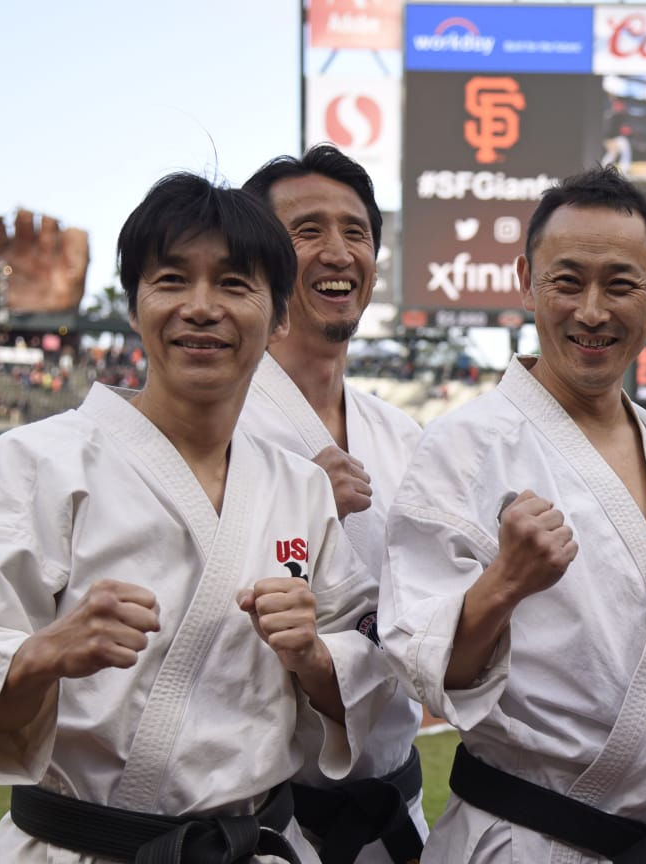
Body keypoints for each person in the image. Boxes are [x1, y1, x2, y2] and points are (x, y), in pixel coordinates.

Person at [0, 173, 389, 862]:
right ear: (135, 305)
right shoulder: (31, 465)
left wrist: (313, 656)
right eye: (171, 280)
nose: (201, 308)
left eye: (234, 285)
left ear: (280, 315)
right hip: (80, 846)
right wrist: (36, 657)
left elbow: (365, 664)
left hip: (255, 844)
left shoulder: (301, 489)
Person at [380, 165, 646, 863]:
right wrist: (506, 582)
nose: (591, 311)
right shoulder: (465, 445)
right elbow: (429, 669)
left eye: (620, 284)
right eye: (567, 281)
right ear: (527, 282)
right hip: (528, 839)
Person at [241, 144, 428, 864]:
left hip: (391, 801)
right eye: (307, 230)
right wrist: (295, 500)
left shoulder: (404, 437)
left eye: (356, 232)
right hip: (261, 818)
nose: (337, 251)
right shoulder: (218, 426)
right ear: (256, 255)